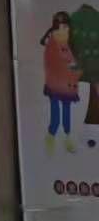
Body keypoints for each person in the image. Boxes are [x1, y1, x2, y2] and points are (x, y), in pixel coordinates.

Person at [42, 11, 83, 154]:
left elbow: (73, 62)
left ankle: (67, 138)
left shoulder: (67, 44)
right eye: (62, 27)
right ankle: (51, 138)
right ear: (56, 27)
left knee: (66, 113)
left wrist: (76, 69)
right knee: (56, 116)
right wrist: (71, 67)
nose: (65, 30)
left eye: (66, 27)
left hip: (67, 86)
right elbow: (54, 64)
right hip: (56, 85)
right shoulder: (53, 44)